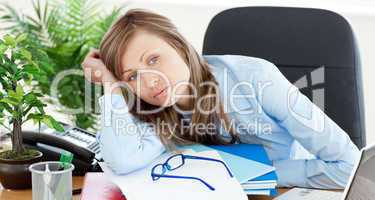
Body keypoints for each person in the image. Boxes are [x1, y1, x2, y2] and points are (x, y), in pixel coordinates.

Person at [82, 8, 360, 189]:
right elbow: (123, 161)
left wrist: (258, 172)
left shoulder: (256, 79)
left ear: (180, 46)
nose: (150, 81)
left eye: (154, 59)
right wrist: (111, 84)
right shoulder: (153, 106)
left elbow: (349, 167)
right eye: (131, 76)